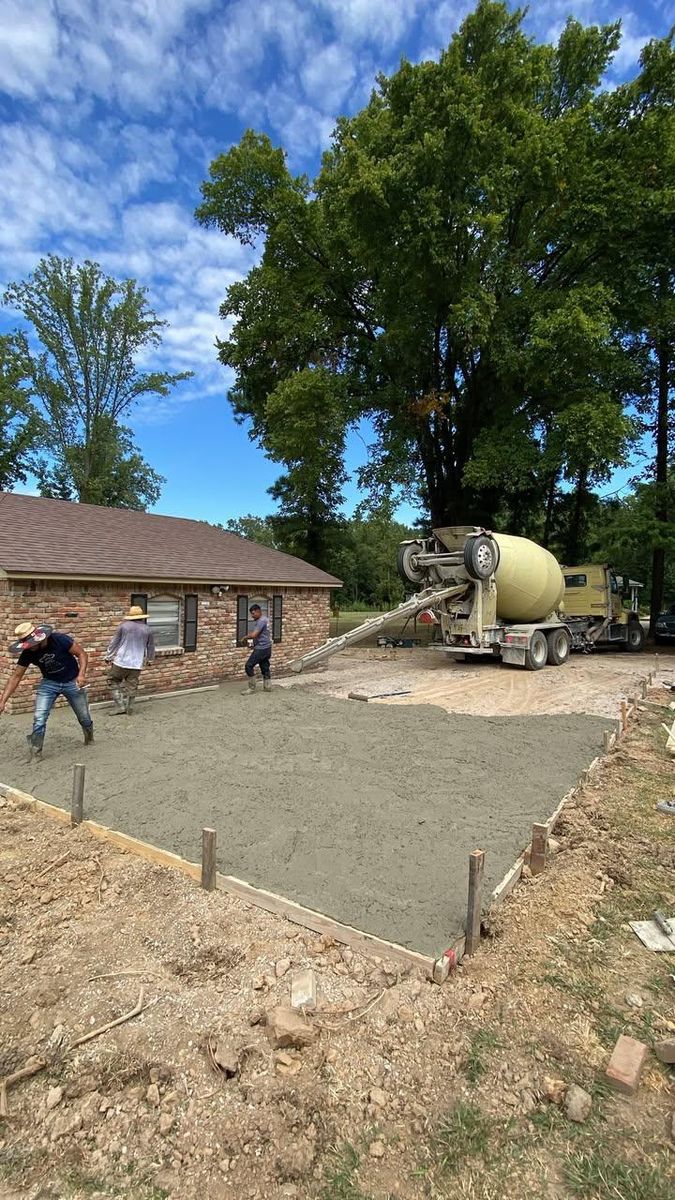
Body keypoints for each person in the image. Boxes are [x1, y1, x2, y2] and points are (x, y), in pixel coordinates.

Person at [0, 622, 94, 760]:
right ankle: (36, 752)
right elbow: (16, 676)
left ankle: (89, 737)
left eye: (30, 644)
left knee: (84, 716)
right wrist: (3, 701)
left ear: (39, 639)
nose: (29, 647)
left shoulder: (60, 640)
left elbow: (82, 654)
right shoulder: (28, 652)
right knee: (39, 717)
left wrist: (81, 674)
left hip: (72, 681)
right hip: (49, 683)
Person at [104, 605, 155, 715]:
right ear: (142, 616)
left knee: (112, 681)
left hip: (121, 661)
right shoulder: (147, 629)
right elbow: (150, 646)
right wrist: (150, 659)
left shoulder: (123, 626)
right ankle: (130, 708)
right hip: (136, 664)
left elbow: (114, 642)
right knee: (132, 685)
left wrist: (109, 656)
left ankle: (120, 706)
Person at [241, 603, 272, 694]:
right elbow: (261, 635)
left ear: (259, 612)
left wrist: (245, 637)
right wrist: (253, 644)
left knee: (248, 666)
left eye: (253, 613)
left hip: (261, 649)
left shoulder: (261, 621)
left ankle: (251, 688)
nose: (252, 615)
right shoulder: (265, 619)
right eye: (251, 613)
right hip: (267, 648)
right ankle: (267, 686)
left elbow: (254, 634)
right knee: (264, 666)